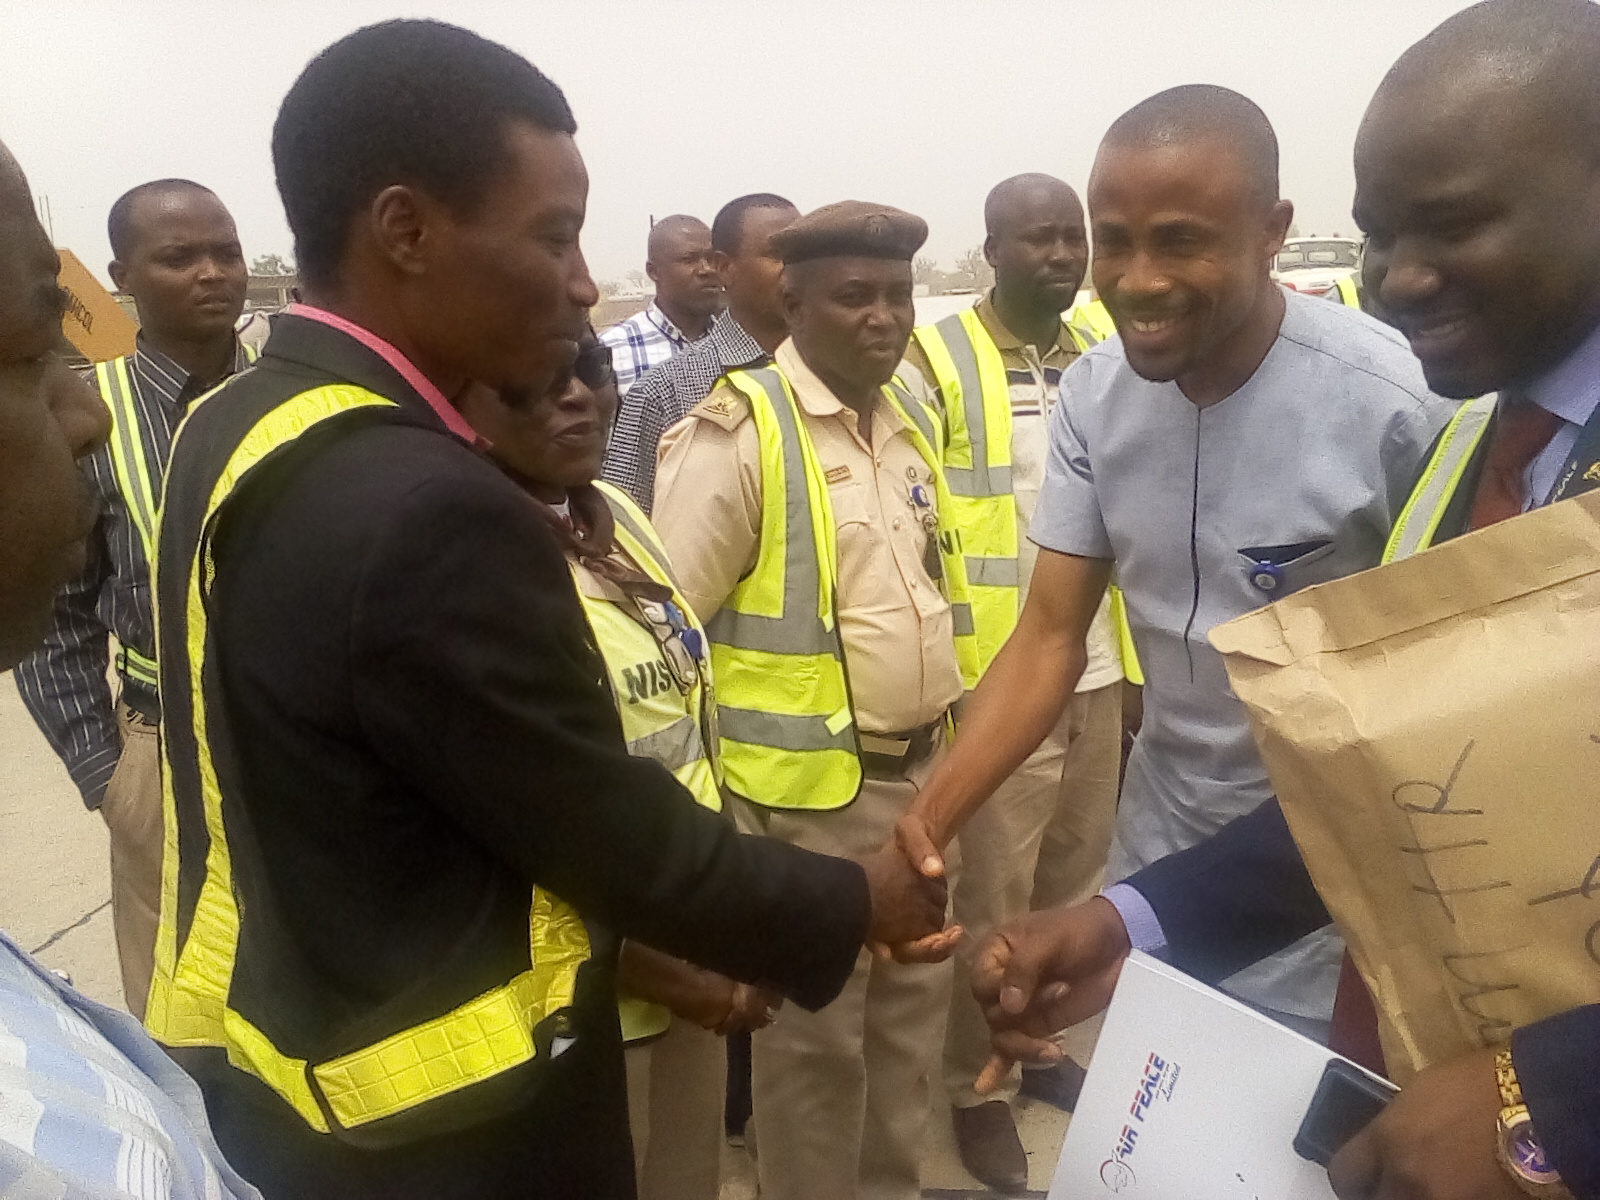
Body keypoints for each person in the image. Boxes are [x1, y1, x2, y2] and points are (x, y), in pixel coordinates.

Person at [144, 23, 946, 1199]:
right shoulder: (431, 507)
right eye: (555, 236)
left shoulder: (242, 418)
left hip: (297, 1052)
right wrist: (852, 899)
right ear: (406, 230)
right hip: (456, 1118)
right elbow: (611, 835)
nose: (581, 284)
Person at [974, 4, 1600, 1198]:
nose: (1400, 279)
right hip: (1403, 1077)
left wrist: (1549, 1098)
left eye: (1454, 224)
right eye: (1378, 234)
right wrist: (1134, 920)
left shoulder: (1397, 412)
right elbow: (1398, 795)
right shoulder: (1475, 448)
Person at [894, 84, 1456, 1048]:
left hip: (1332, 881)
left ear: (1272, 230)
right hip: (1153, 865)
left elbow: (1449, 692)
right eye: (1113, 240)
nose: (1136, 279)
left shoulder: (1401, 407)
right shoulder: (1097, 398)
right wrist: (928, 825)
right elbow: (1049, 636)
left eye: (1180, 240)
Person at [652, 200, 969, 1200]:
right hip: (802, 804)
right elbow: (668, 634)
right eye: (854, 296)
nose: (884, 317)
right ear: (790, 303)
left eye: (898, 296)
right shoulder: (737, 430)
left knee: (908, 1037)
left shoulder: (909, 418)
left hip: (925, 784)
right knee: (817, 1055)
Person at [0, 134, 260, 1200]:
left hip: (309, 755)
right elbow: (60, 622)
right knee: (185, 1019)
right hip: (164, 755)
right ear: (118, 282)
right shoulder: (92, 414)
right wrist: (110, 776)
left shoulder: (287, 398)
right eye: (178, 256)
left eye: (225, 251)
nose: (210, 273)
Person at [457, 329, 775, 1200]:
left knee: (685, 1178)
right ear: (467, 404)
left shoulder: (617, 516)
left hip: (685, 936)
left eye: (590, 373)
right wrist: (639, 955)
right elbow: (507, 811)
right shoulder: (467, 556)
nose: (577, 396)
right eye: (537, 379)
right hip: (585, 981)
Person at [895, 173, 1126, 1192]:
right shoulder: (933, 358)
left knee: (1069, 886)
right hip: (994, 685)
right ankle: (971, 1090)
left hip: (1103, 665)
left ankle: (1036, 1050)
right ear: (989, 251)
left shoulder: (1104, 354)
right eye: (1037, 240)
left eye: (1070, 237)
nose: (1062, 256)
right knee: (990, 903)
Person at [602, 192, 798, 509]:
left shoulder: (832, 372)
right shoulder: (658, 390)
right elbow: (626, 521)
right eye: (778, 254)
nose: (704, 270)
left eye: (801, 255)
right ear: (727, 267)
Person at [601, 214, 723, 394]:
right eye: (689, 259)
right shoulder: (614, 350)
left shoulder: (740, 343)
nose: (708, 269)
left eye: (712, 259)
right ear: (653, 271)